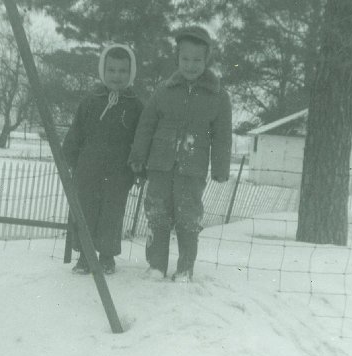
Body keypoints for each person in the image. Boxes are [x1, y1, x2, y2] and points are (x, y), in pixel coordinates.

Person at [128, 26, 232, 282]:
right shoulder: (164, 90)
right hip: (160, 166)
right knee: (158, 216)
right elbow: (146, 125)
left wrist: (220, 167)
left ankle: (185, 269)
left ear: (207, 60)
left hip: (192, 169)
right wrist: (138, 156)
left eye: (197, 60)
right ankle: (156, 266)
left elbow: (222, 135)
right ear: (178, 58)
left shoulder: (217, 96)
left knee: (188, 219)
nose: (191, 65)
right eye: (185, 59)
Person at [62, 43, 143, 274]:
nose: (117, 76)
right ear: (103, 71)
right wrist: (70, 159)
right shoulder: (91, 100)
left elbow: (141, 137)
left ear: (131, 73)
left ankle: (107, 257)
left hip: (119, 172)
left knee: (112, 213)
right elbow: (76, 132)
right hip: (88, 169)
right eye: (112, 70)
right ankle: (85, 257)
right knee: (85, 210)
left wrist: (139, 166)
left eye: (123, 71)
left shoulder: (136, 105)